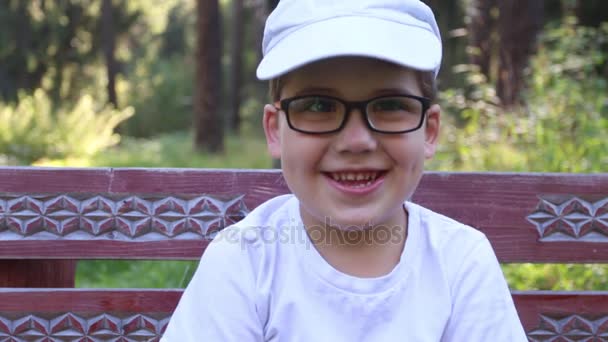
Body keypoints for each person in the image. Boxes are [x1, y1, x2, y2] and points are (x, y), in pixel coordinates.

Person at [162, 0, 527, 340]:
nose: (356, 140)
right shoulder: (244, 259)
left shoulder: (460, 262)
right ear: (275, 130)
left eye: (390, 104)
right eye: (319, 105)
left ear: (429, 131)